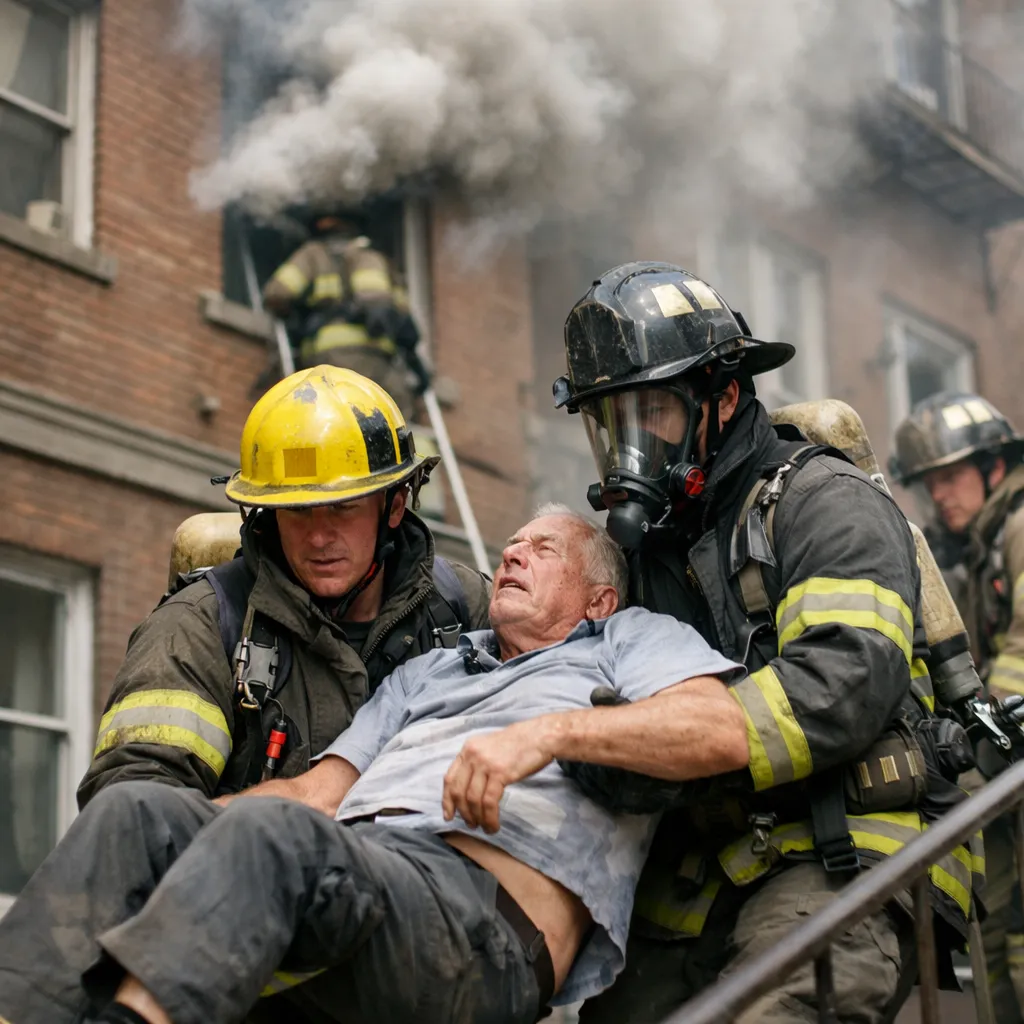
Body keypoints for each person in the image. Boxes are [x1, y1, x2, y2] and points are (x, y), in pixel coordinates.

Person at [0, 506, 747, 1024]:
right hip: (360, 883)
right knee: (138, 814)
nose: (512, 555)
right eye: (512, 544)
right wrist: (184, 844)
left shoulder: (629, 640)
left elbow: (721, 728)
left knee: (273, 837)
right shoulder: (433, 671)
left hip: (484, 934)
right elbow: (316, 793)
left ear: (599, 600)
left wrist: (547, 736)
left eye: (544, 550)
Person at [551, 262, 979, 1023]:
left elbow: (844, 684)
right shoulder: (651, 552)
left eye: (651, 413)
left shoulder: (825, 503)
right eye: (610, 422)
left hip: (845, 846)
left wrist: (674, 737)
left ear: (721, 398)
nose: (629, 448)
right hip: (708, 867)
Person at [79, 365, 490, 807]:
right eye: (297, 510)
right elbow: (134, 812)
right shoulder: (197, 629)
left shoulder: (465, 606)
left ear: (394, 506)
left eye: (343, 508)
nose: (318, 537)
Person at [892, 390, 1024, 1023]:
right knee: (993, 927)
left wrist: (974, 741)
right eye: (929, 482)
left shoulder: (1020, 527)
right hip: (1005, 768)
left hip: (1006, 756)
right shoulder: (980, 546)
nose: (938, 494)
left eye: (950, 476)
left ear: (993, 466)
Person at [262, 212, 431, 419]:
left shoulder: (314, 253)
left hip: (332, 360)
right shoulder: (379, 260)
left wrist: (297, 319)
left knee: (337, 422)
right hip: (384, 365)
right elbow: (404, 322)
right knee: (392, 425)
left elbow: (277, 293)